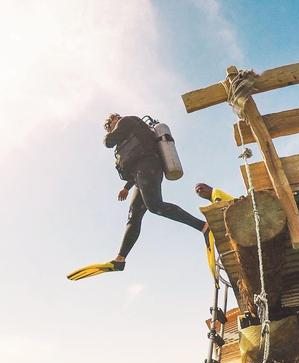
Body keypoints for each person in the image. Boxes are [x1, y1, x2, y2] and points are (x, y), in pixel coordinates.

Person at [67, 113, 209, 281]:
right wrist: (126, 187)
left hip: (148, 165)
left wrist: (107, 136)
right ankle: (120, 260)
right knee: (134, 216)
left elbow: (108, 142)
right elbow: (134, 160)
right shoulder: (130, 131)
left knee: (155, 206)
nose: (110, 128)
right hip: (141, 172)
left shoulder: (126, 121)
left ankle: (203, 226)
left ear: (115, 119)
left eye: (109, 125)